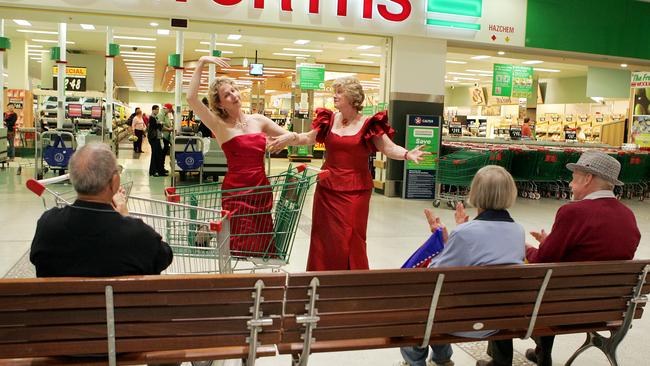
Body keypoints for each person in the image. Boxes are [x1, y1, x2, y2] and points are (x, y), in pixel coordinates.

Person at [268, 77, 430, 271]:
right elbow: (307, 138)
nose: (334, 96)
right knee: (323, 235)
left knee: (352, 236)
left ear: (352, 98)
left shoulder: (369, 123)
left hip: (356, 190)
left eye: (339, 92)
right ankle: (321, 278)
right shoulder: (328, 119)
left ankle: (351, 278)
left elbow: (388, 148)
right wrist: (290, 137)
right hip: (327, 188)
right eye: (334, 91)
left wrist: (407, 154)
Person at [399, 166, 525, 366]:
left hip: (460, 322)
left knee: (416, 309)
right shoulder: (518, 231)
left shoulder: (466, 233)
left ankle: (416, 362)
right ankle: (442, 360)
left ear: (475, 192)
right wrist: (456, 235)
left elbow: (435, 275)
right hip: (499, 321)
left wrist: (442, 238)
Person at [524, 151, 640, 366]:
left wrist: (525, 248)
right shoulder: (627, 215)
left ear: (588, 178)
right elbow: (599, 253)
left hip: (566, 307)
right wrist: (551, 242)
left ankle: (533, 354)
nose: (569, 182)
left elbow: (542, 260)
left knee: (530, 284)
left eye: (574, 176)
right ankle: (541, 352)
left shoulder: (573, 212)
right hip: (608, 308)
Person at [186, 56, 299, 257]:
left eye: (234, 90)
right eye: (227, 95)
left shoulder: (258, 120)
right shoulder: (219, 125)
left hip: (261, 189)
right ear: (220, 104)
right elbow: (191, 98)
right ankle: (238, 281)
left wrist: (291, 135)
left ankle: (255, 284)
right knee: (238, 245)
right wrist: (201, 62)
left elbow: (293, 138)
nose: (234, 95)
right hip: (236, 191)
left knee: (261, 245)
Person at [30, 143, 174, 277]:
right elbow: (165, 256)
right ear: (115, 181)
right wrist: (126, 217)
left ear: (73, 179)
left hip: (58, 304)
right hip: (117, 304)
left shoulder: (47, 225)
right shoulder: (138, 235)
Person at [148, 105, 167, 177]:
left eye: (158, 110)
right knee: (155, 154)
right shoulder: (152, 117)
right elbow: (156, 127)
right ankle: (153, 171)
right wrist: (160, 124)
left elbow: (158, 126)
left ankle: (157, 170)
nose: (157, 111)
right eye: (156, 109)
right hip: (153, 138)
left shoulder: (155, 117)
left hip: (156, 138)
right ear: (153, 110)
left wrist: (160, 124)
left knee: (157, 154)